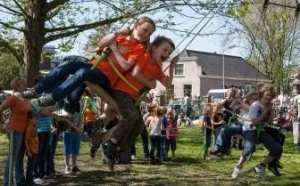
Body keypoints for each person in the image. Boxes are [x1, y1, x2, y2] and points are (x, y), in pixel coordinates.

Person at [20, 16, 156, 117]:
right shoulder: (121, 37)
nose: (146, 35)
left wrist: (114, 49)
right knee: (69, 60)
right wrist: (118, 32)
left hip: (107, 78)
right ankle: (38, 90)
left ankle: (52, 98)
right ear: (136, 25)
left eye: (149, 33)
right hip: (95, 66)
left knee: (83, 73)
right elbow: (102, 44)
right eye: (145, 30)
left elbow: (126, 67)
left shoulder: (139, 49)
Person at [99, 36, 179, 170]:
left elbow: (167, 84)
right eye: (164, 50)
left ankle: (118, 149)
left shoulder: (158, 68)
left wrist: (172, 67)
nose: (166, 54)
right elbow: (135, 73)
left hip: (132, 98)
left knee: (139, 126)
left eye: (169, 53)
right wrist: (150, 84)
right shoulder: (145, 57)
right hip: (121, 91)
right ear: (153, 48)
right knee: (132, 116)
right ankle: (110, 144)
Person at [0, 77, 54, 186]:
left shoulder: (25, 98)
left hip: (25, 130)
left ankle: (20, 181)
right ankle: (7, 182)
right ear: (16, 86)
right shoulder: (13, 98)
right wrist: (1, 124)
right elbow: (1, 108)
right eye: (23, 84)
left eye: (25, 83)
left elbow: (35, 110)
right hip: (15, 129)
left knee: (20, 156)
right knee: (13, 156)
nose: (26, 86)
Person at [231, 84, 283, 180]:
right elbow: (254, 123)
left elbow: (269, 122)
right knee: (249, 148)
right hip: (250, 129)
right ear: (262, 94)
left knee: (277, 149)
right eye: (267, 95)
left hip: (261, 130)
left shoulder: (268, 106)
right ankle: (238, 167)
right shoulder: (255, 106)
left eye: (271, 95)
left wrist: (271, 111)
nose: (269, 97)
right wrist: (264, 112)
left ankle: (260, 167)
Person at [63, 109, 84, 174]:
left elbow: (81, 118)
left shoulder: (79, 108)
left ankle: (74, 167)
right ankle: (67, 167)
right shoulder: (67, 108)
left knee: (75, 149)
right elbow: (66, 119)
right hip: (68, 131)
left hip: (77, 132)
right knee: (67, 150)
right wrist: (76, 128)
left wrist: (79, 128)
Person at [24, 111, 40, 185]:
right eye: (35, 119)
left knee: (32, 166)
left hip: (35, 149)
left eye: (37, 119)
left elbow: (35, 135)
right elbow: (26, 140)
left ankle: (30, 179)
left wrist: (36, 127)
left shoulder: (34, 127)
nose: (36, 120)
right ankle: (28, 181)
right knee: (30, 166)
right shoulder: (29, 128)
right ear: (30, 119)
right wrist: (28, 151)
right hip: (31, 150)